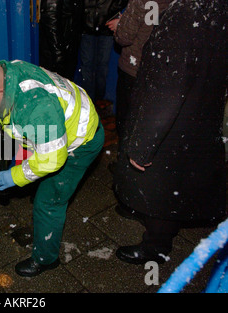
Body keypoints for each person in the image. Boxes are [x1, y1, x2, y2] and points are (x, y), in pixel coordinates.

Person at [113, 0, 227, 264]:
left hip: (174, 122)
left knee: (162, 185)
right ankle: (170, 228)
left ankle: (156, 247)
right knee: (181, 180)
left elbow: (167, 90)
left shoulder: (183, 17)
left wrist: (142, 145)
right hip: (200, 113)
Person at [0, 60, 104, 277]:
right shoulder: (6, 73)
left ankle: (45, 259)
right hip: (54, 129)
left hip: (80, 141)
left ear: (0, 90)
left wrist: (17, 176)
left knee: (48, 201)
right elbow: (19, 123)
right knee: (37, 170)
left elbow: (52, 159)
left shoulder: (36, 107)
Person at [105, 0, 171, 175]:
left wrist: (121, 25)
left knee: (126, 121)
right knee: (146, 121)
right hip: (158, 68)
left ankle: (125, 169)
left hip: (133, 69)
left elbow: (124, 37)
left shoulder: (140, 0)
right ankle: (145, 162)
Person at [79, 0, 127, 103]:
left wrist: (110, 13)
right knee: (87, 66)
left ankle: (98, 102)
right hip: (87, 25)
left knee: (101, 67)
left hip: (106, 27)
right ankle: (88, 102)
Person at [39, 0, 83, 81]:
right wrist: (58, 52)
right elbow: (50, 17)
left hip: (66, 46)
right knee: (57, 85)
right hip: (56, 51)